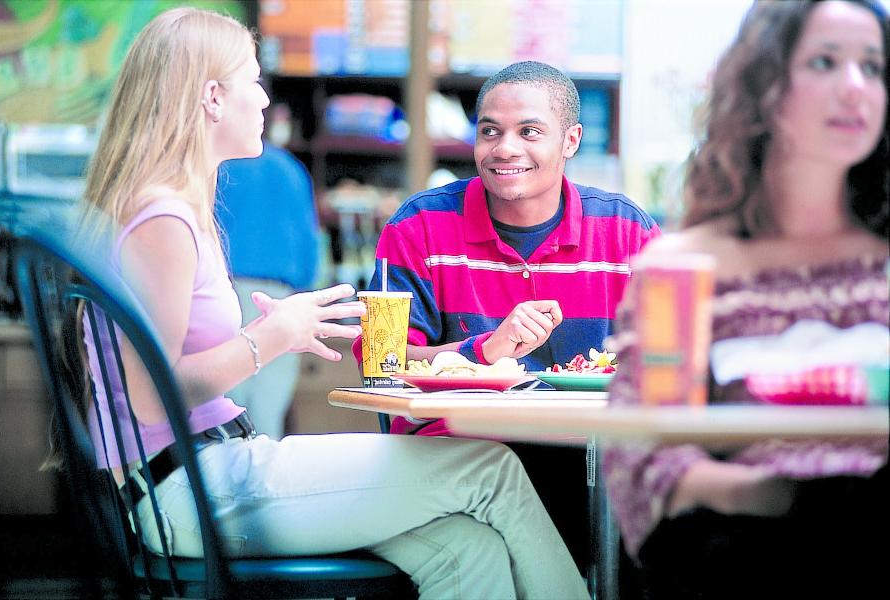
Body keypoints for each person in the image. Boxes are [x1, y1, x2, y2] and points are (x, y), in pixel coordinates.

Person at [75, 8, 591, 599]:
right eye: (253, 80)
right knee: (493, 469)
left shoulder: (164, 209)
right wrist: (274, 335)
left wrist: (279, 333)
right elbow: (149, 395)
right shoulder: (162, 219)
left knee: (468, 548)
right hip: (189, 489)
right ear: (213, 98)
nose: (266, 99)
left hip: (210, 473)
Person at [603, 2, 889, 598]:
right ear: (763, 87)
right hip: (748, 547)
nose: (856, 88)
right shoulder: (683, 268)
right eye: (824, 61)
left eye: (874, 66)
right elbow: (644, 455)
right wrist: (770, 497)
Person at [355, 60, 660, 569]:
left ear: (571, 140)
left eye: (529, 131)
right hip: (459, 462)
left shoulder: (627, 232)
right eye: (489, 131)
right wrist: (483, 352)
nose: (504, 148)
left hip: (593, 461)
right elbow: (378, 363)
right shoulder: (419, 226)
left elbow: (674, 358)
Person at [215, 141, 319, 438]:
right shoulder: (290, 167)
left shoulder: (222, 163)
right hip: (282, 297)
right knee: (268, 409)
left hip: (227, 289)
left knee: (225, 406)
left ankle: (222, 483)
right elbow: (309, 242)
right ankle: (257, 483)